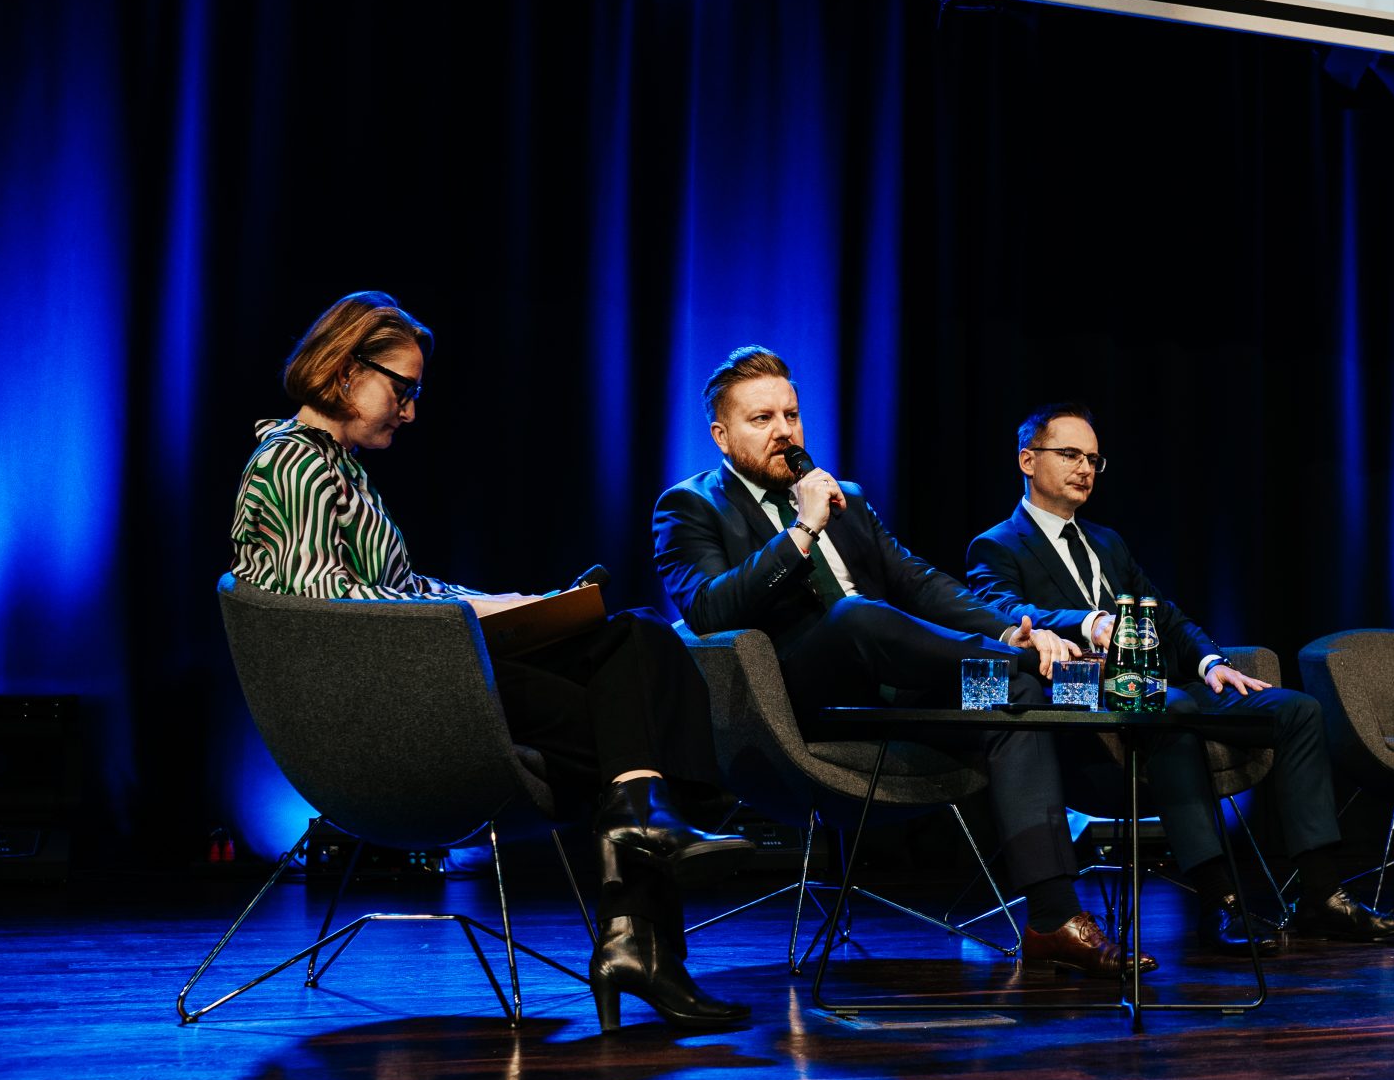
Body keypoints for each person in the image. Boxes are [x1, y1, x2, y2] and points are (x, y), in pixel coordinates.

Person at [228, 292, 754, 1033]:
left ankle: (641, 841)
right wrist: (465, 620)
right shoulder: (293, 465)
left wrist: (515, 603)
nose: (409, 411)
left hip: (428, 673)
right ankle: (652, 882)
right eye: (401, 389)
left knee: (634, 637)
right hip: (400, 701)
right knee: (626, 716)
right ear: (346, 373)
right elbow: (335, 613)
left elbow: (406, 589)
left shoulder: (335, 469)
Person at [652, 348, 1154, 978]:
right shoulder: (691, 506)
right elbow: (708, 611)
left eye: (792, 415)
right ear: (721, 435)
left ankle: (1053, 916)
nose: (784, 431)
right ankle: (1011, 664)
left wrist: (1007, 629)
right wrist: (801, 532)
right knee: (860, 616)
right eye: (762, 419)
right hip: (796, 706)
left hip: (896, 696)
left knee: (1011, 704)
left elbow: (922, 586)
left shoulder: (849, 500)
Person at [965, 403, 1394, 947]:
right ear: (1028, 460)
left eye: (1093, 459)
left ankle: (1320, 893)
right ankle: (1220, 902)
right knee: (1169, 710)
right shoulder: (997, 545)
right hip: (1089, 710)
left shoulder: (1107, 542)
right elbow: (1002, 614)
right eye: (1070, 455)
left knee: (1297, 711)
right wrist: (1089, 621)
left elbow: (1167, 615)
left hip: (1162, 690)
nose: (1085, 468)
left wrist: (1212, 663)